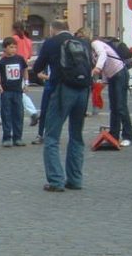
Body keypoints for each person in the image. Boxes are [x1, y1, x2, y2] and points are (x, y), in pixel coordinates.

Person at [32, 20, 92, 192]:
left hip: (62, 91)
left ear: (52, 29)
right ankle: (75, 179)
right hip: (82, 90)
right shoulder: (82, 42)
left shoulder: (51, 43)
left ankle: (56, 180)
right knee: (76, 135)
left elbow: (38, 67)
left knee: (52, 136)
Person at [91, 34, 132, 146]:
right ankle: (113, 135)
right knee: (113, 107)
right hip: (113, 75)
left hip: (120, 73)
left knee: (120, 106)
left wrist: (97, 68)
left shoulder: (96, 43)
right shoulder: (92, 52)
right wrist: (104, 81)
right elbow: (106, 64)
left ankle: (127, 136)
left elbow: (103, 56)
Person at [0, 36, 28, 147]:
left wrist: (26, 82)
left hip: (17, 90)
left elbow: (24, 70)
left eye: (15, 47)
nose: (13, 49)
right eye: (11, 47)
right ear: (5, 48)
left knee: (19, 114)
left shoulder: (19, 59)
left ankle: (17, 137)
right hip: (6, 91)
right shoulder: (2, 62)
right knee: (6, 114)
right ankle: (6, 137)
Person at [13, 22, 39, 126]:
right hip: (24, 67)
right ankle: (10, 116)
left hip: (14, 66)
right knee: (18, 93)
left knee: (17, 93)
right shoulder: (28, 41)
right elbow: (29, 55)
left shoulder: (14, 39)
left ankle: (32, 113)